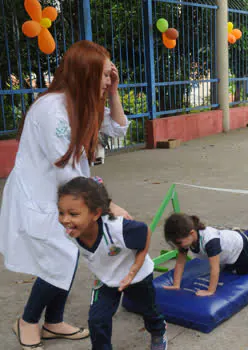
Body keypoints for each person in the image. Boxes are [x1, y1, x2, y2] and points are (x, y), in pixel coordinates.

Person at [0, 40, 131, 350]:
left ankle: (54, 321)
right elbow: (68, 171)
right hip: (39, 194)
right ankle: (28, 321)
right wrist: (108, 205)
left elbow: (119, 129)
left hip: (67, 193)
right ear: (86, 74)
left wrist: (113, 92)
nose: (106, 81)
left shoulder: (83, 103)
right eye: (102, 75)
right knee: (60, 255)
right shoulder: (52, 109)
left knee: (69, 252)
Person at [57, 177, 167, 350]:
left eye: (73, 214)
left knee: (149, 310)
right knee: (97, 320)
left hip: (137, 276)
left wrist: (133, 271)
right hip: (106, 278)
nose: (65, 220)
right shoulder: (72, 231)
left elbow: (144, 232)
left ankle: (158, 332)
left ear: (95, 213)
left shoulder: (117, 228)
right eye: (61, 212)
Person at [163, 213, 248, 292]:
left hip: (237, 247)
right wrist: (176, 284)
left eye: (178, 242)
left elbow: (214, 268)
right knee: (228, 268)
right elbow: (180, 263)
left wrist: (210, 291)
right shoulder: (185, 240)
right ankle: (236, 235)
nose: (178, 246)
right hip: (225, 250)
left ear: (192, 233)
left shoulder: (210, 241)